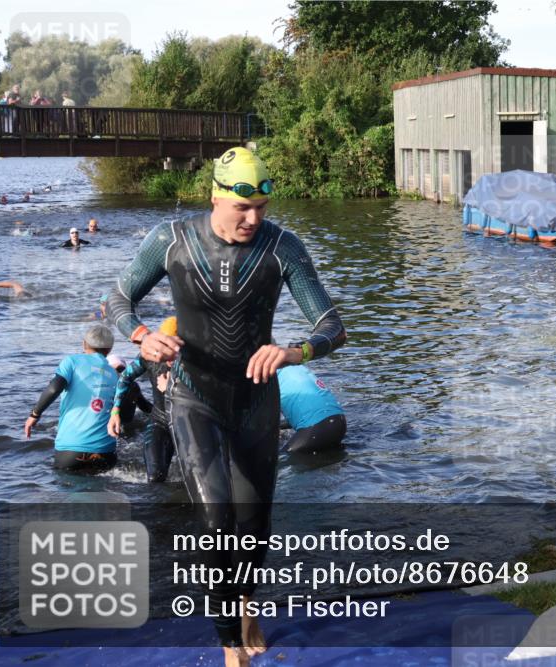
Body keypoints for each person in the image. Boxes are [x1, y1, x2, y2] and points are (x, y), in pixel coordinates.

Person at [106, 146, 346, 666]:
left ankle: (244, 604)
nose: (253, 219)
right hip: (195, 399)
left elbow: (333, 326)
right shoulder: (170, 240)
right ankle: (230, 647)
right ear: (215, 196)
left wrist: (293, 352)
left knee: (253, 527)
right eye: (243, 208)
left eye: (262, 207)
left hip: (257, 403)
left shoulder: (283, 247)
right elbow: (117, 300)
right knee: (216, 523)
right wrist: (143, 336)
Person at [24, 325, 120, 472]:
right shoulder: (115, 375)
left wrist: (34, 414)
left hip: (71, 451)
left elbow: (54, 388)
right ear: (109, 350)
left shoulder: (72, 362)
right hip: (106, 452)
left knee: (66, 490)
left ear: (84, 344)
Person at [108, 317, 177, 483]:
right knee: (154, 478)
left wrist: (173, 388)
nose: (167, 353)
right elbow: (125, 377)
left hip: (190, 425)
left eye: (173, 348)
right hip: (160, 421)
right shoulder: (149, 356)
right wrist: (115, 411)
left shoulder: (195, 361)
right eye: (163, 345)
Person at [277, 364, 346, 453]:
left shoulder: (265, 372)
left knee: (280, 458)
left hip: (316, 429)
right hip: (339, 423)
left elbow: (266, 422)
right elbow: (309, 413)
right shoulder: (295, 364)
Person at [106, 354, 152, 427]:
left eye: (120, 369)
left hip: (128, 427)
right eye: (112, 370)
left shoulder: (133, 387)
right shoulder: (101, 391)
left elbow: (146, 408)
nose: (116, 373)